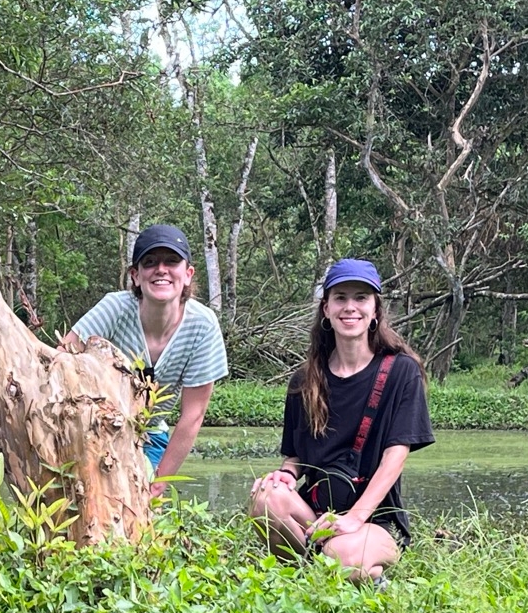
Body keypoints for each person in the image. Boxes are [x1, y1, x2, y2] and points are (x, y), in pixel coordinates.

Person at [248, 258, 433, 583]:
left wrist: (354, 519)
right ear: (326, 309)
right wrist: (285, 476)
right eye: (341, 298)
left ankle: (352, 572)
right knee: (267, 498)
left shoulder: (402, 371)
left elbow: (395, 456)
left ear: (375, 310)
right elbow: (296, 457)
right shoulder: (304, 380)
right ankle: (308, 577)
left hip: (375, 519)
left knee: (343, 555)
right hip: (315, 511)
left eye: (361, 298)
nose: (351, 307)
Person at [59, 223, 228, 498]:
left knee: (136, 503)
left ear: (187, 274)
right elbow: (62, 361)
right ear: (136, 276)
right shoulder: (114, 308)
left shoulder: (203, 325)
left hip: (149, 434)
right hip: (90, 431)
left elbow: (193, 415)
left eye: (171, 261)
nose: (161, 269)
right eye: (150, 262)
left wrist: (159, 482)